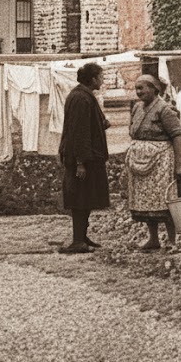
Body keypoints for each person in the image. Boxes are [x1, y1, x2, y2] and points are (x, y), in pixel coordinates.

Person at [126, 74, 181, 250]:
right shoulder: (137, 108)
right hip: (140, 163)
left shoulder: (164, 109)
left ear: (154, 89)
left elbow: (177, 136)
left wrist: (179, 165)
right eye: (136, 89)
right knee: (146, 202)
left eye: (142, 88)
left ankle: (172, 241)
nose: (138, 92)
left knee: (164, 200)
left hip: (161, 163)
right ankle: (153, 239)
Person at [58, 62, 110, 254]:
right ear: (93, 78)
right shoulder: (81, 98)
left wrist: (101, 123)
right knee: (80, 198)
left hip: (88, 157)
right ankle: (78, 240)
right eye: (101, 77)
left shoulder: (84, 95)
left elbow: (88, 124)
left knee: (86, 196)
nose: (102, 80)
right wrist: (81, 162)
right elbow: (79, 132)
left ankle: (82, 236)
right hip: (82, 159)